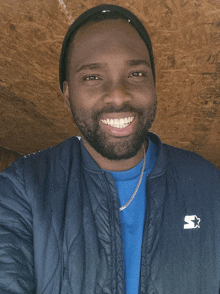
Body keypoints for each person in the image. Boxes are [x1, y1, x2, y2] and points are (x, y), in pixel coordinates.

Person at [0, 4, 220, 294]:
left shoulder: (207, 184)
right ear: (67, 95)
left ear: (154, 84)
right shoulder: (23, 189)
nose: (118, 95)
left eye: (136, 74)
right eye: (92, 77)